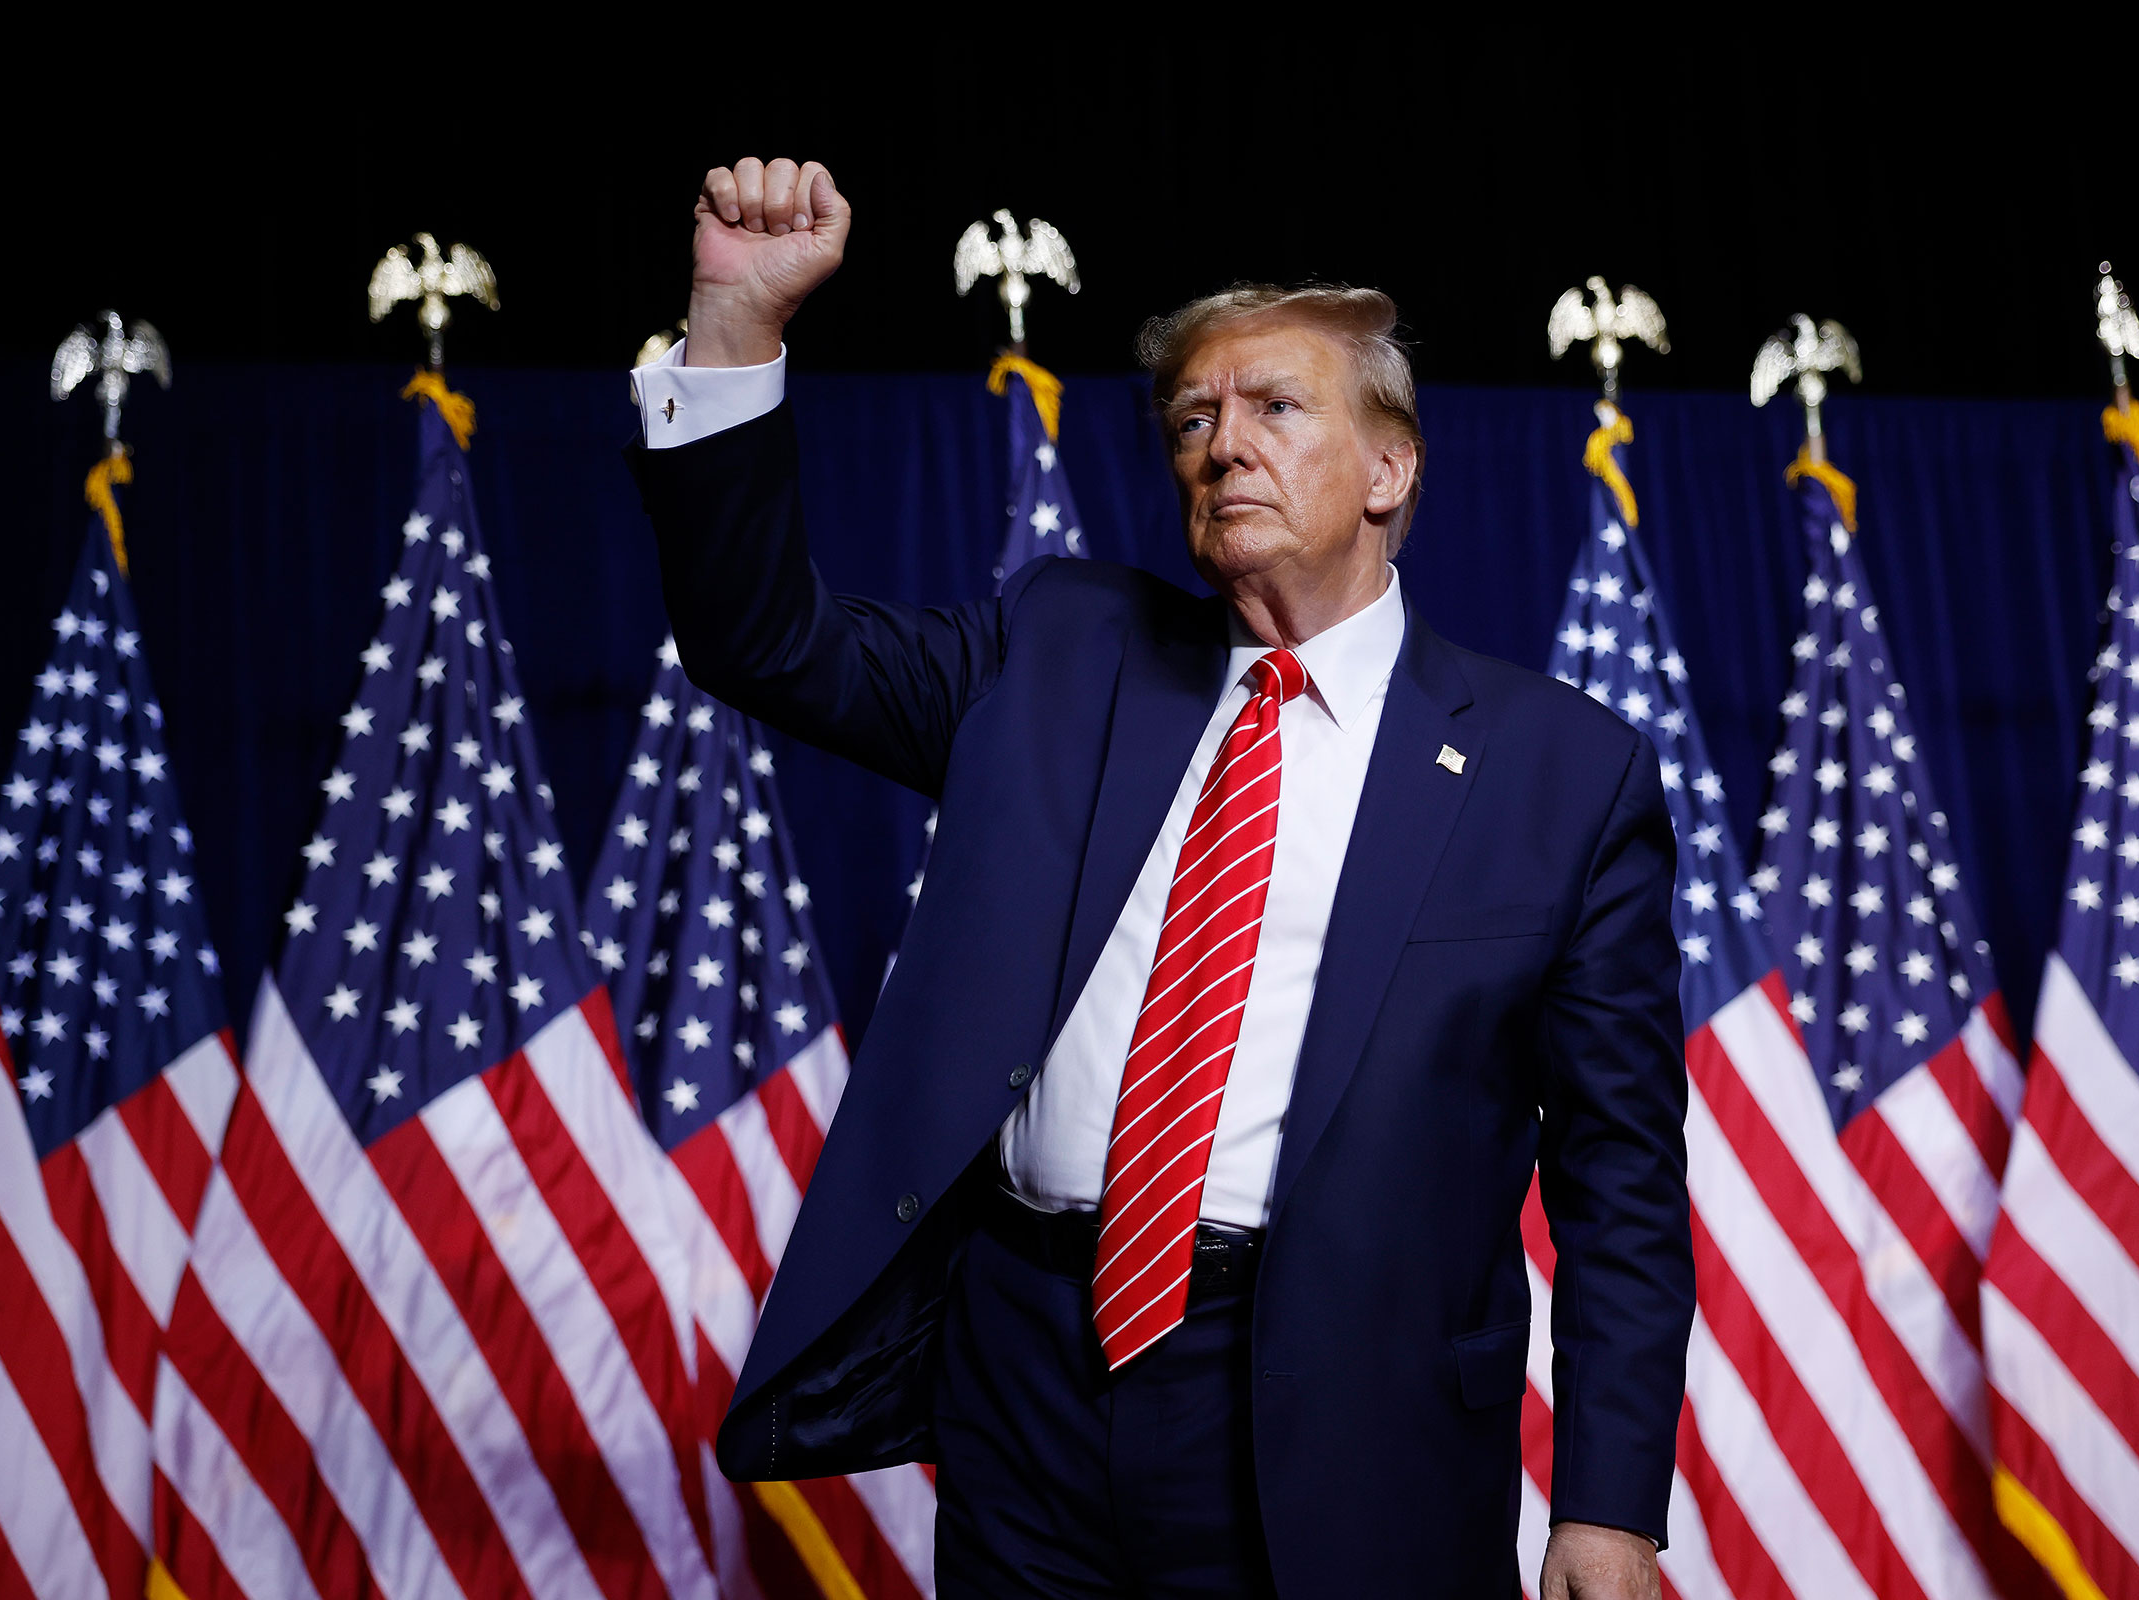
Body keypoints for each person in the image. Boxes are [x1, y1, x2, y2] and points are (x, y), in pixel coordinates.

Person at [625, 156, 1692, 1600]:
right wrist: (738, 332)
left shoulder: (1563, 772)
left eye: (1272, 408)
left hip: (1337, 1408)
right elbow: (762, 641)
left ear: (1392, 468)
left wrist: (1609, 1504)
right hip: (1025, 1375)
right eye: (1191, 418)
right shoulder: (1057, 647)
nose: (1220, 445)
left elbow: (1618, 1174)